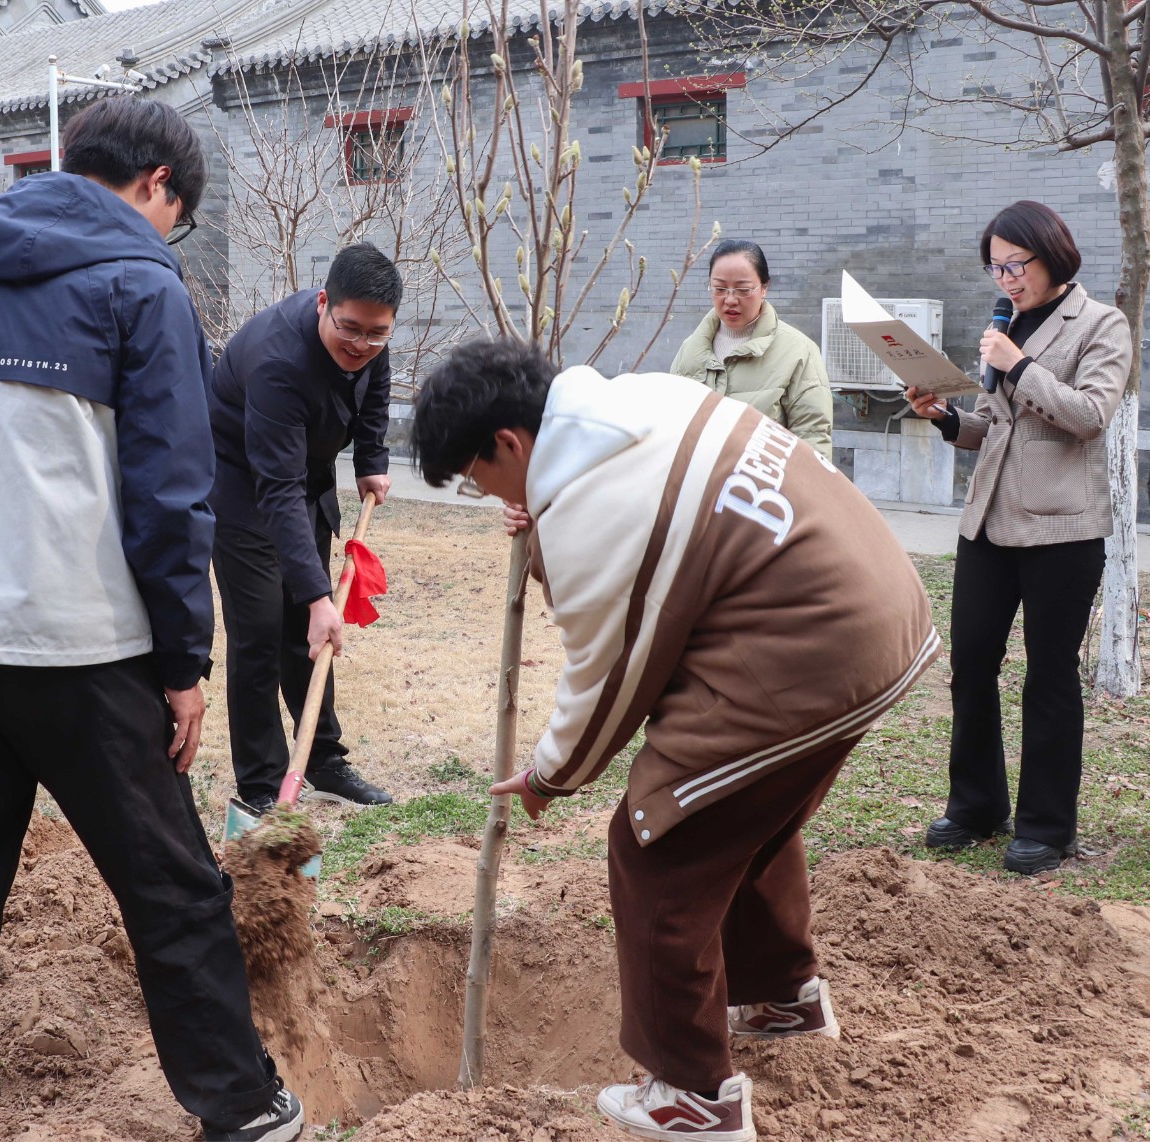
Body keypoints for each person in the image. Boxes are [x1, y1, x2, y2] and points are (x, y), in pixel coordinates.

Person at [0, 98, 302, 1142]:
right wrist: (184, 661)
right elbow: (173, 490)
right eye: (175, 217)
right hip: (84, 649)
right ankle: (241, 1105)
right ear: (157, 188)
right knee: (171, 890)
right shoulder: (141, 282)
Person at [413, 338, 940, 1142]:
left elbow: (609, 679)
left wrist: (548, 776)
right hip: (877, 606)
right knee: (744, 810)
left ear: (510, 443)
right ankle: (780, 997)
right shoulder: (635, 402)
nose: (486, 496)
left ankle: (692, 1097)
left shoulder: (591, 503)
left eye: (478, 478)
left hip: (810, 643)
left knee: (655, 841)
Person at [905, 200, 1131, 876]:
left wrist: (1020, 365)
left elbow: (1090, 416)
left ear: (1050, 253)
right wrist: (947, 418)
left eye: (1014, 265)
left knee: (1050, 675)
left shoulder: (1101, 323)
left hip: (1062, 530)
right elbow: (996, 428)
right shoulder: (1004, 324)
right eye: (995, 268)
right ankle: (976, 806)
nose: (1004, 280)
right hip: (988, 524)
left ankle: (1045, 826)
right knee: (972, 663)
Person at [207, 243, 401, 812]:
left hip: (304, 478)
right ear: (323, 303)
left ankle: (323, 760)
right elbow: (276, 489)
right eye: (351, 330)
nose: (362, 345)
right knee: (261, 633)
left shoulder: (369, 337)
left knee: (306, 634)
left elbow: (376, 390)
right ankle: (264, 783)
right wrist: (319, 596)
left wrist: (372, 459)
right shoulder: (277, 362)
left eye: (377, 334)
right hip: (243, 489)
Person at [670, 239, 834, 458]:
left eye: (743, 290)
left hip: (761, 488)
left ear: (764, 287)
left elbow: (813, 439)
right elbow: (671, 428)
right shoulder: (691, 349)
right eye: (719, 289)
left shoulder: (798, 351)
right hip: (700, 488)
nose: (730, 300)